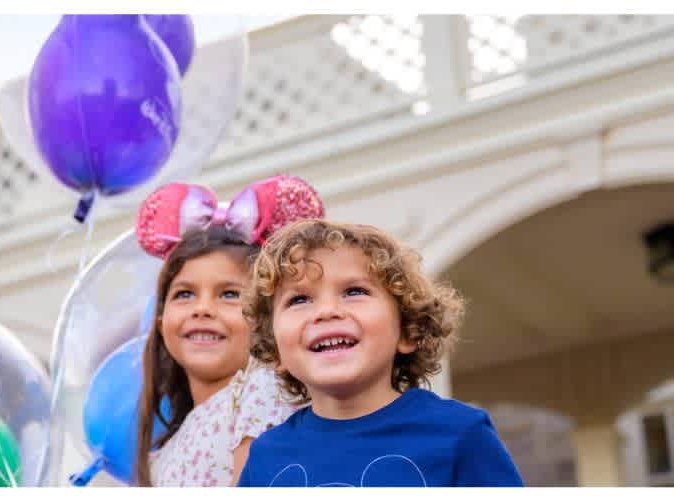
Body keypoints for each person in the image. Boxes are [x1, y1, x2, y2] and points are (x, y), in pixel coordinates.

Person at [238, 219, 523, 487]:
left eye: (353, 291)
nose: (326, 312)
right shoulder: (265, 457)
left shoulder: (460, 433)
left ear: (408, 331)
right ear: (275, 350)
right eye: (299, 299)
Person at [132, 176, 325, 486]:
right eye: (184, 294)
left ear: (269, 317)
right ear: (160, 321)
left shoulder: (265, 390)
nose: (202, 308)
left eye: (229, 294)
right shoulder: (162, 455)